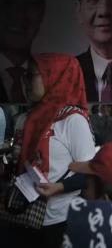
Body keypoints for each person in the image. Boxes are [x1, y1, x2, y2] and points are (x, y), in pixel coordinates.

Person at [0, 54, 96, 248]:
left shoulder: (72, 120)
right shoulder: (23, 119)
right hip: (19, 214)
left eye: (32, 76)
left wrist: (58, 188)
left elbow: (91, 171)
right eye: (25, 76)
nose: (25, 82)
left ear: (54, 77)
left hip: (58, 220)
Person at [0, 0, 46, 103]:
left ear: (42, 10)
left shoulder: (54, 79)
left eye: (30, 2)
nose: (18, 15)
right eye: (7, 2)